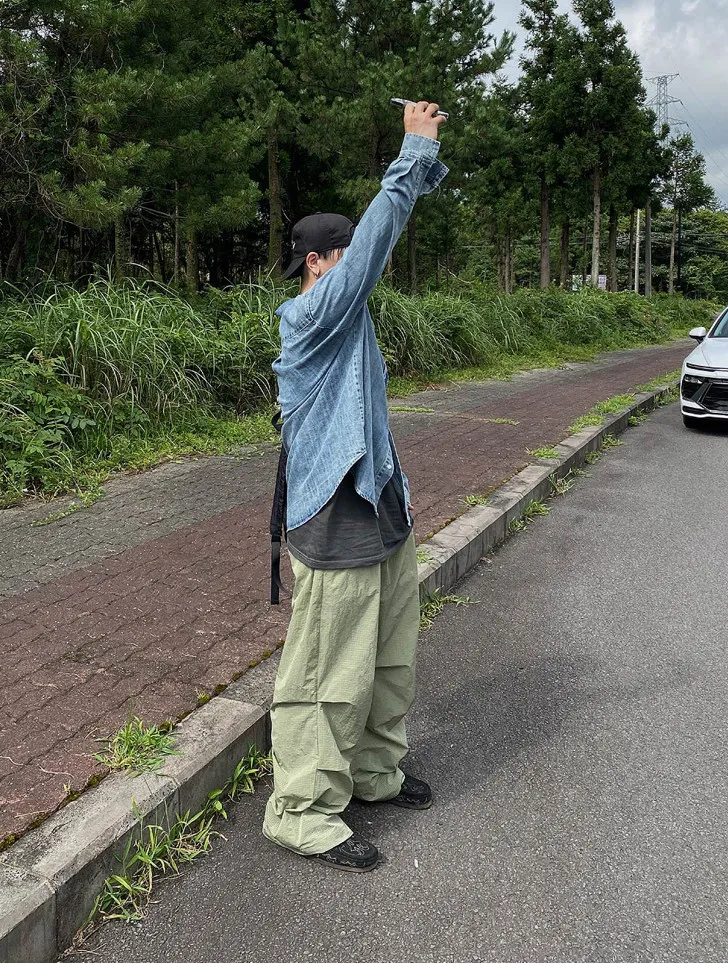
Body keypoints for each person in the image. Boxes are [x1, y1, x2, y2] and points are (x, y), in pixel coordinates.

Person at [263, 101, 449, 872]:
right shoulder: (312, 314)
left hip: (379, 501)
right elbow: (373, 247)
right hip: (332, 514)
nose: (360, 265)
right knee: (325, 671)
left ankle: (372, 770)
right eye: (346, 255)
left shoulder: (351, 314)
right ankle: (301, 808)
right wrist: (413, 154)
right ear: (318, 261)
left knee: (386, 655)